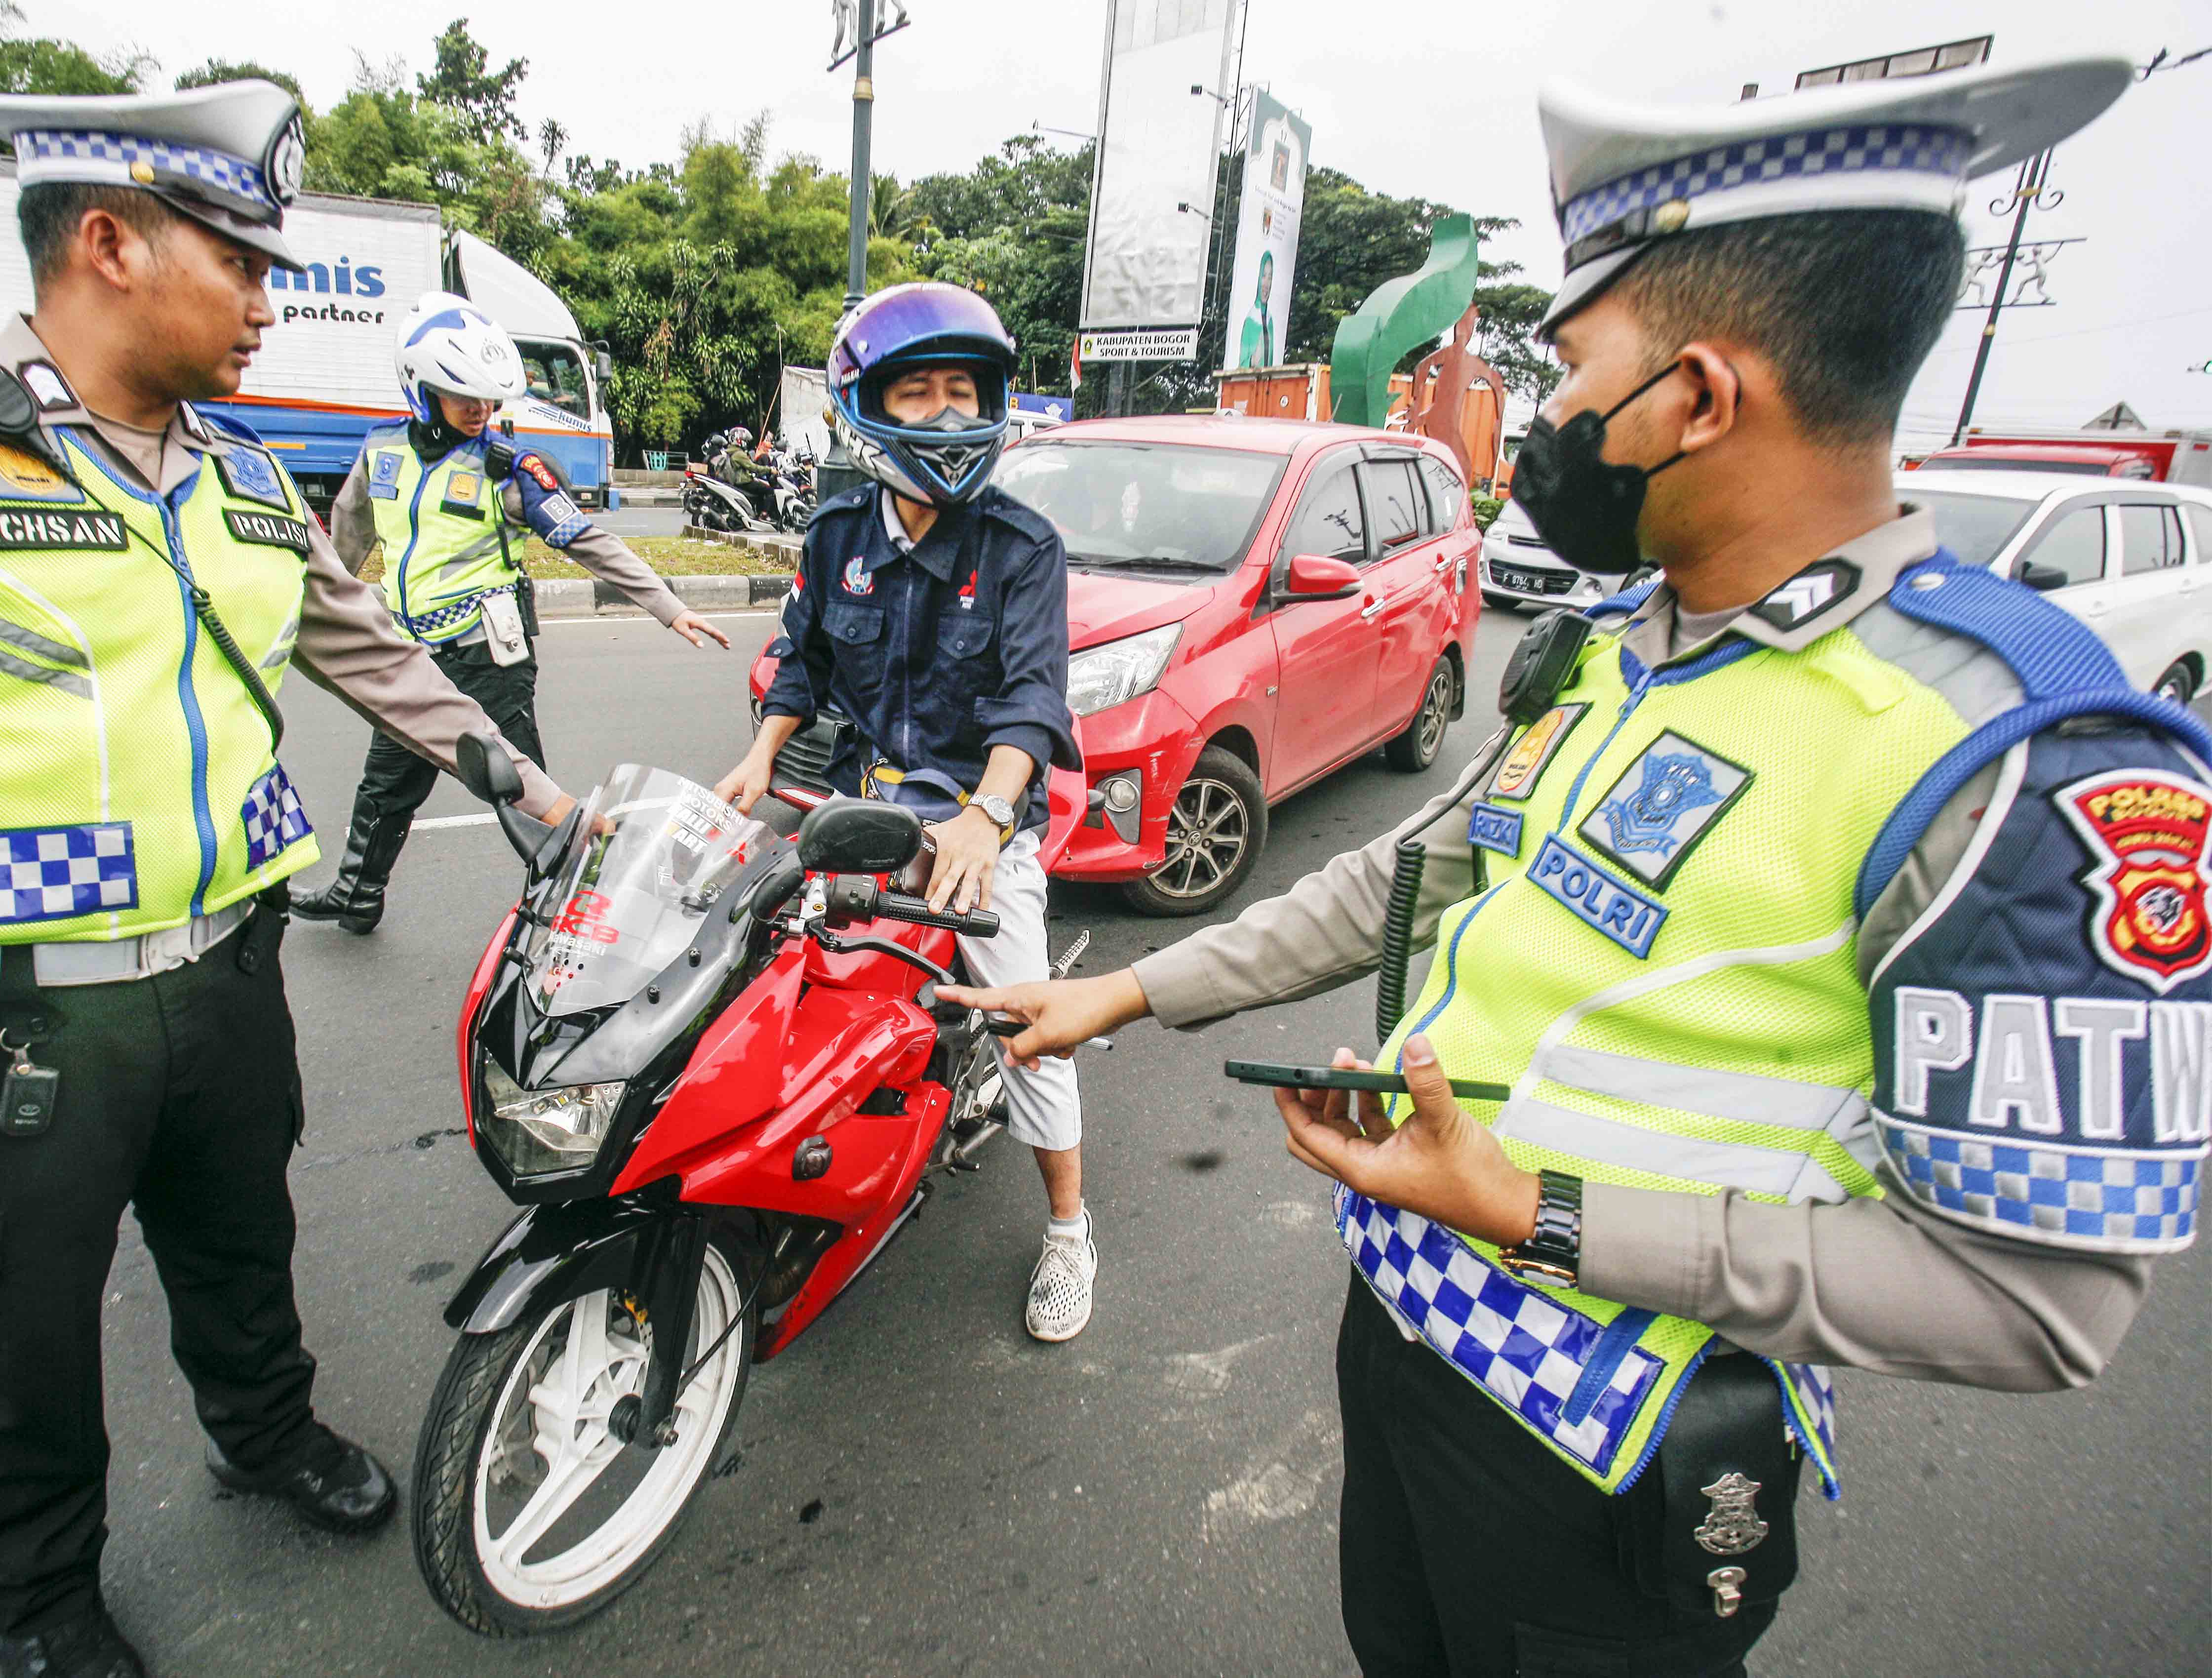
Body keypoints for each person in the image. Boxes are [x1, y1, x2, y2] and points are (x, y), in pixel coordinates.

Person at [944, 55, 2204, 1675]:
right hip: (1408, 1315)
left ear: (1697, 392)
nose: (1545, 423)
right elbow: (1417, 872)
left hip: (1610, 1448)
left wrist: (1535, 1211)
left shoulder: (2012, 746)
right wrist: (1121, 985)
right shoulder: (1616, 648)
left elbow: (2037, 1302)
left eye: (1569, 371)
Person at [0, 81, 579, 1678]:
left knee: (242, 1240)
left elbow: (363, 640)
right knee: (17, 1335)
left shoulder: (237, 474)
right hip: (2, 1024)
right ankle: (38, 1599)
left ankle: (264, 1428)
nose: (267, 299)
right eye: (238, 259)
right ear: (108, 240)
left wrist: (516, 778)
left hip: (227, 980)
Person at [713, 281, 1096, 1340]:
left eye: (962, 392)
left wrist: (984, 815)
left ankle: (1069, 1229)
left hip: (981, 823)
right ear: (867, 407)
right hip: (863, 804)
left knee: (1029, 1024)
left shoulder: (1023, 550)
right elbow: (804, 658)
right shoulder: (837, 530)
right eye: (917, 392)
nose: (944, 414)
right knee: (756, 960)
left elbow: (1032, 699)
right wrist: (758, 760)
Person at [289, 293, 731, 933]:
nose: (481, 412)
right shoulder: (382, 450)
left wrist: (668, 606)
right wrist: (337, 593)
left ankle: (572, 911)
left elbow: (585, 540)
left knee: (526, 796)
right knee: (384, 787)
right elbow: (349, 527)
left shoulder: (508, 471)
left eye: (489, 400)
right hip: (409, 654)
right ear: (421, 389)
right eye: (463, 396)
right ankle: (358, 893)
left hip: (487, 657)